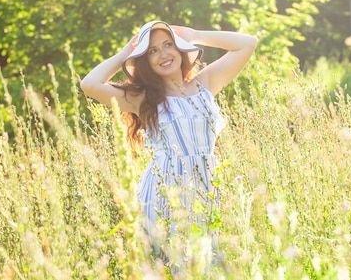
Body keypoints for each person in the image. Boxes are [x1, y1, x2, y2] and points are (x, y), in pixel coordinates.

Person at [80, 20, 257, 266]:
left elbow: (247, 44)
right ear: (144, 60)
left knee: (203, 265)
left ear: (180, 49)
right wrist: (125, 53)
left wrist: (195, 35)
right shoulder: (142, 99)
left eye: (168, 45)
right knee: (172, 266)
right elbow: (89, 84)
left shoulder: (204, 84)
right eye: (152, 50)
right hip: (163, 192)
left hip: (204, 187)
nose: (163, 54)